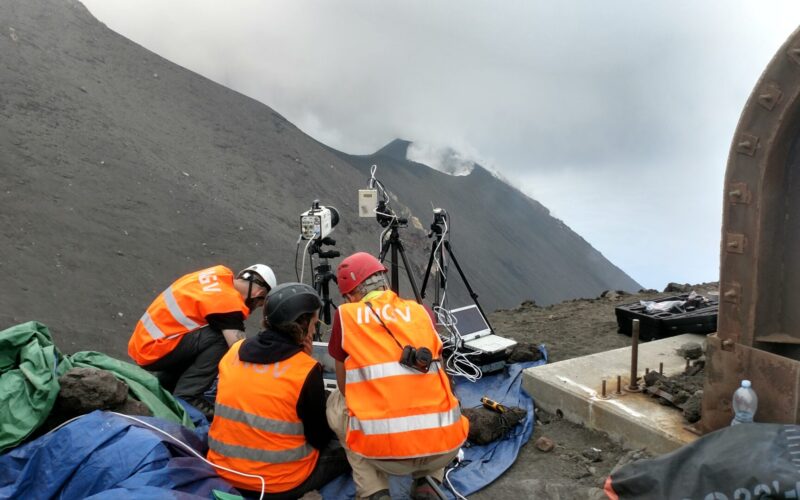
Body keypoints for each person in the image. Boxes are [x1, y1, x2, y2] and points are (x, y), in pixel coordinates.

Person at [326, 252, 469, 500]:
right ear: (384, 282)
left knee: (338, 404)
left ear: (352, 294)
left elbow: (345, 385)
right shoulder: (422, 312)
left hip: (386, 457)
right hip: (446, 448)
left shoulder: (346, 315)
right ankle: (428, 482)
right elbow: (442, 373)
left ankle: (374, 490)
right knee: (434, 387)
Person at [208, 283, 350, 499]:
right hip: (277, 483)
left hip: (222, 471)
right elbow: (319, 438)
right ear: (302, 324)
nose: (314, 330)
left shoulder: (235, 351)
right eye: (314, 323)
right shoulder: (304, 370)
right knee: (352, 446)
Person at [128, 264, 276, 418]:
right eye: (259, 304)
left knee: (204, 335)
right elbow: (239, 351)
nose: (255, 308)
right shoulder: (228, 304)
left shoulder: (218, 274)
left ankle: (167, 385)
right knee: (220, 339)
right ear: (259, 293)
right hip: (153, 351)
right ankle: (188, 397)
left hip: (144, 342)